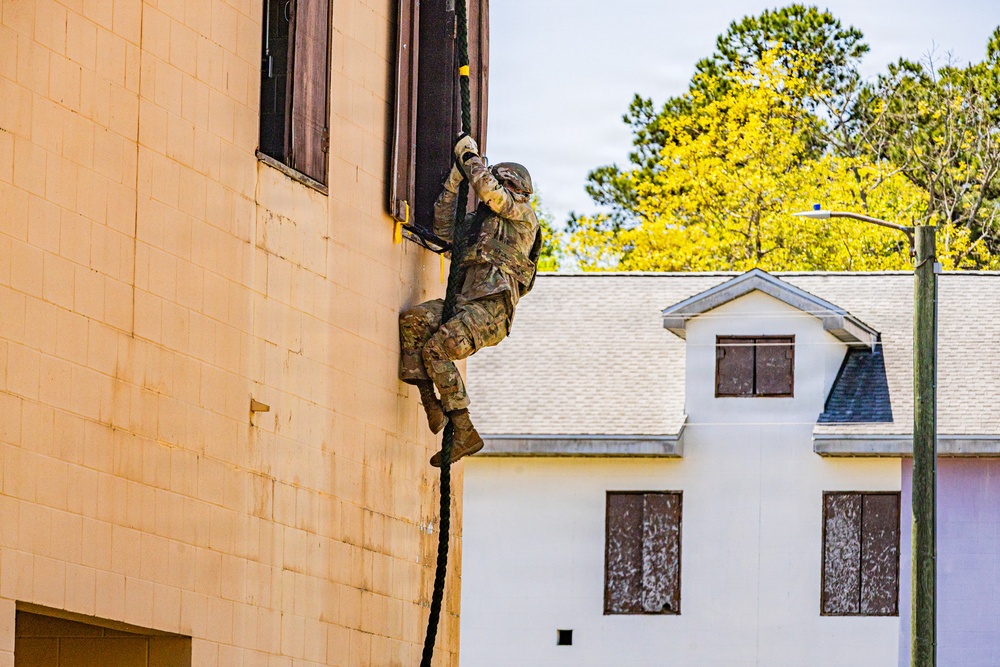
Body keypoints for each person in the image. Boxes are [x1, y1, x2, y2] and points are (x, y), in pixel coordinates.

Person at [399, 134, 541, 466]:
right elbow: (445, 228)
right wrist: (453, 183)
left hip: (492, 309)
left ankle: (464, 429)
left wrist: (471, 159)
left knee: (439, 348)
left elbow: (492, 194)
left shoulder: (523, 216)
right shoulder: (481, 226)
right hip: (465, 303)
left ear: (515, 190)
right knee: (414, 321)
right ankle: (431, 403)